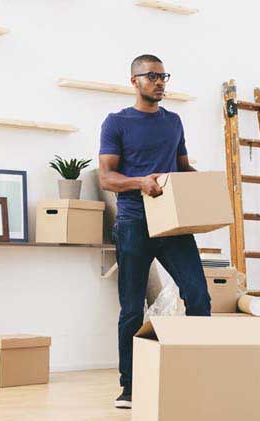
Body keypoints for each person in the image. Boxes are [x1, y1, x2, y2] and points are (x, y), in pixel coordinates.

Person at [98, 54, 212, 409]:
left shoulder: (173, 122)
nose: (160, 82)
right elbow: (107, 177)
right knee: (132, 309)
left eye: (164, 76)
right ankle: (129, 387)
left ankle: (195, 374)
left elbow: (181, 167)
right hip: (133, 222)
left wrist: (208, 185)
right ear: (134, 81)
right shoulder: (116, 122)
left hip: (173, 223)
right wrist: (138, 182)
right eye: (152, 76)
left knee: (199, 297)